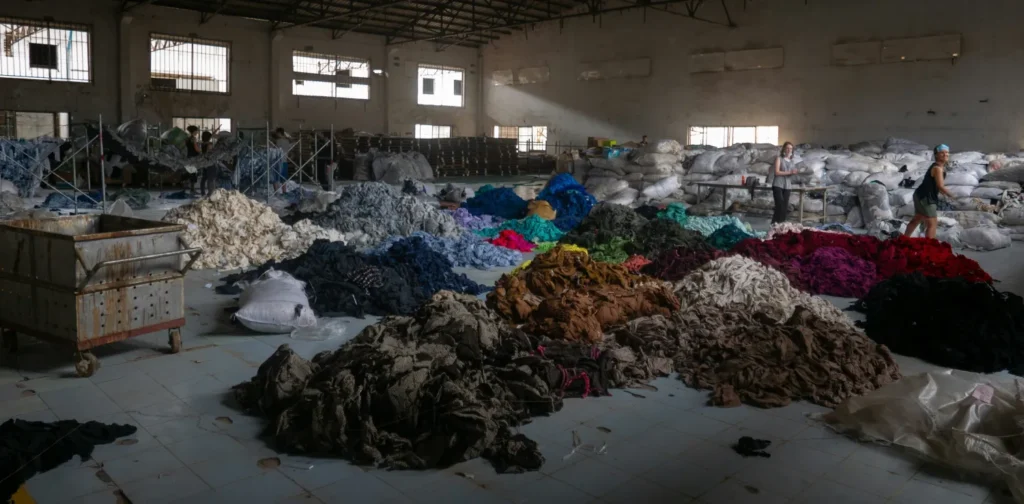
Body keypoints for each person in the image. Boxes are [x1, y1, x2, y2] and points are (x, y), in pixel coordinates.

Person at [904, 144, 955, 239]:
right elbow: (940, 186)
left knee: (917, 218)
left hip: (919, 195)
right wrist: (952, 196)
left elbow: (935, 185)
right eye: (942, 153)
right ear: (936, 155)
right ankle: (930, 247)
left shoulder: (938, 166)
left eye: (947, 152)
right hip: (925, 198)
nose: (945, 155)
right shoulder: (938, 168)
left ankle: (903, 240)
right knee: (932, 224)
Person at [770, 141, 798, 224]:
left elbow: (791, 174)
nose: (789, 150)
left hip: (787, 186)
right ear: (784, 149)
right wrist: (790, 172)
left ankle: (781, 226)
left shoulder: (792, 162)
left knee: (785, 208)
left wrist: (795, 173)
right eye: (787, 148)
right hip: (778, 185)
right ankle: (774, 226)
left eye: (791, 149)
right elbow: (777, 172)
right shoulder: (779, 159)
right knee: (780, 206)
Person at [200, 131, 218, 196]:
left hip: (204, 162)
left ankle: (203, 192)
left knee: (204, 178)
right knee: (211, 178)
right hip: (210, 162)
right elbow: (211, 152)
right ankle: (210, 192)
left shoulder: (202, 144)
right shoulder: (209, 144)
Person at [273, 127, 291, 192]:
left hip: (278, 161)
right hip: (285, 160)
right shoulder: (287, 141)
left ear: (279, 133)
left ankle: (276, 192)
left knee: (275, 177)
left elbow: (274, 150)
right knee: (283, 178)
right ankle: (284, 191)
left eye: (277, 133)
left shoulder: (278, 141)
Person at [185, 126, 201, 195]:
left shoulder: (187, 139)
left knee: (191, 173)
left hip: (189, 157)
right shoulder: (193, 139)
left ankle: (192, 189)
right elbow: (196, 149)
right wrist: (201, 150)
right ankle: (192, 190)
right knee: (194, 174)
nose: (197, 132)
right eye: (197, 131)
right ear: (194, 131)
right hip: (194, 158)